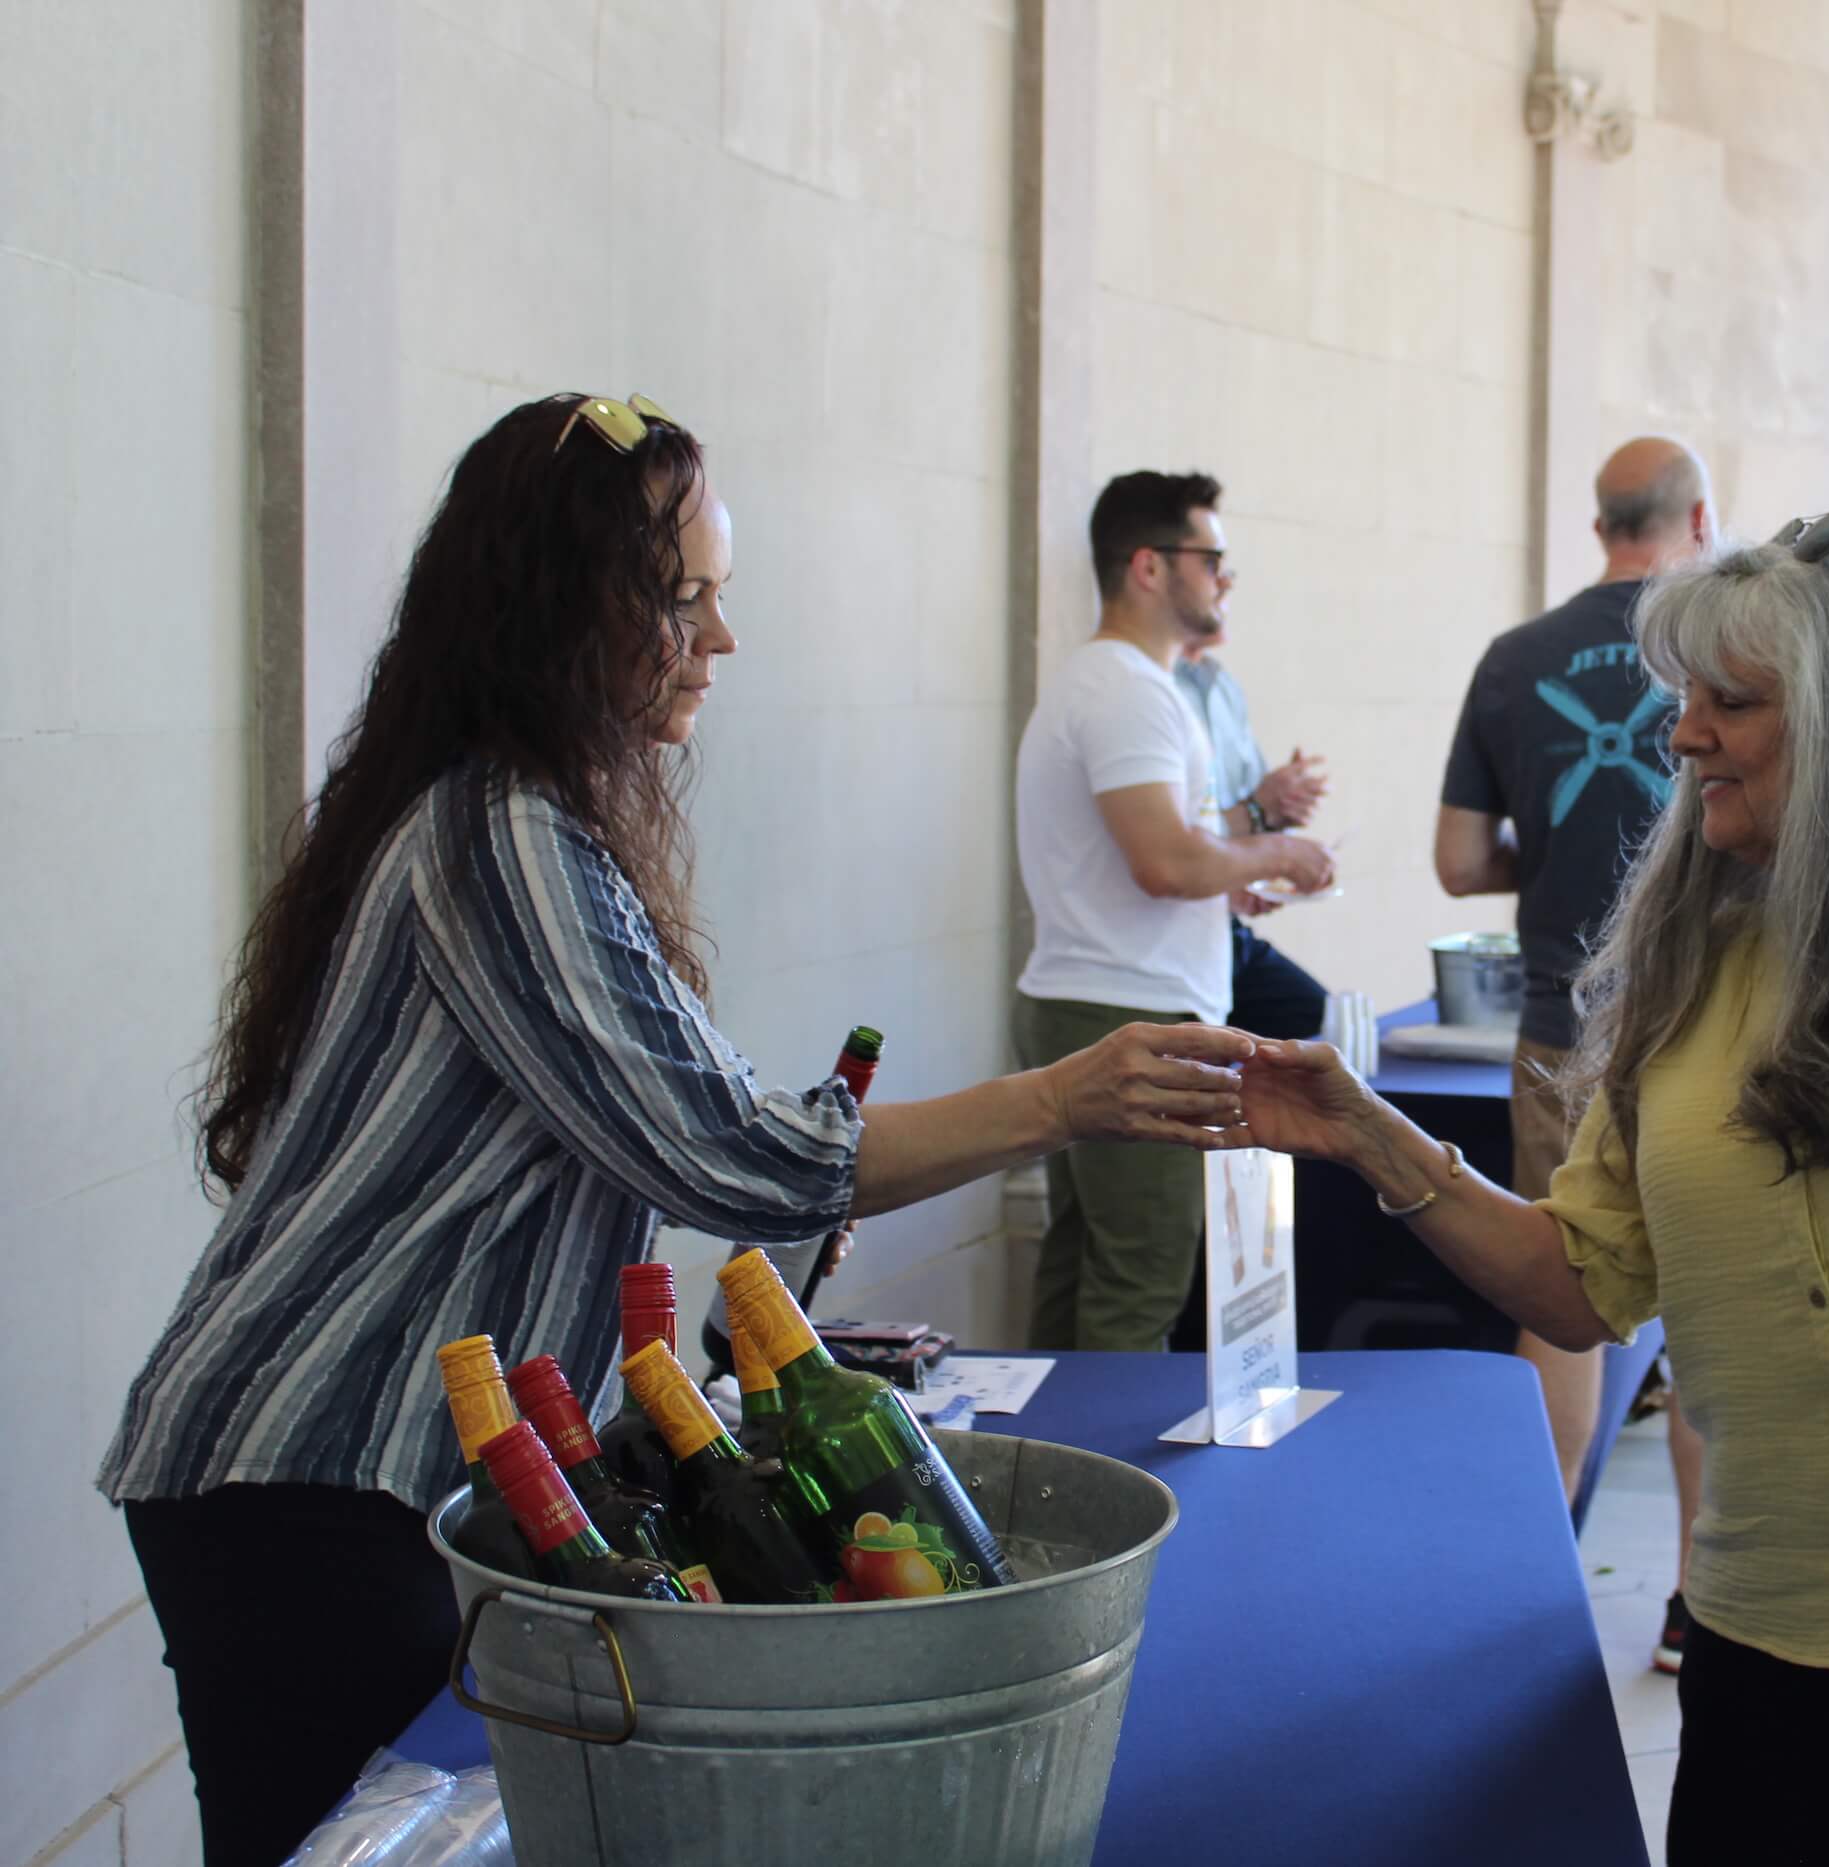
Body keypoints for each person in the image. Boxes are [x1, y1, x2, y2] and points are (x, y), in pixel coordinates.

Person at [94, 396, 1260, 1866]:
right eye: (681, 596)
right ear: (564, 607)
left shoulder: (529, 816)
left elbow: (719, 1131)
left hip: (362, 1466)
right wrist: (1062, 1096)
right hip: (310, 1468)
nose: (720, 639)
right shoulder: (501, 835)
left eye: (720, 594)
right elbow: (729, 1154)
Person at [1243, 511, 1829, 1861]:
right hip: (1767, 1646)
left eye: (1732, 701)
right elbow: (1583, 1284)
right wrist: (1372, 1138)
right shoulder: (1687, 968)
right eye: (1683, 699)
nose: (1683, 733)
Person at [1435, 437, 1710, 1536]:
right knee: (1710, 1319)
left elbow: (1459, 863)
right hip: (1707, 1022)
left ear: (1600, 524)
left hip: (1561, 1028)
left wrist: (1545, 862)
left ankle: (1545, 1560)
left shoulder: (1513, 660)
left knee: (1561, 1300)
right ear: (1699, 522)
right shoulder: (1720, 649)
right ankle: (1702, 1600)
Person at [1014, 470, 1334, 1351]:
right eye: (1213, 557)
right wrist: (1282, 852)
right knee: (1139, 1278)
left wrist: (1233, 859)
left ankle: (1047, 1472)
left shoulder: (1120, 681)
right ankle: (1115, 1487)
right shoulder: (1127, 688)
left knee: (1084, 1258)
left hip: (1095, 994)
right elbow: (1163, 861)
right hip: (1129, 1006)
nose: (1227, 576)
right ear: (1150, 567)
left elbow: (1165, 842)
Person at [1175, 627, 1333, 1040]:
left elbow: (1250, 808)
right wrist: (1263, 817)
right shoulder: (1146, 693)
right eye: (1212, 568)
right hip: (1168, 937)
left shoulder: (1220, 682)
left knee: (1320, 1023)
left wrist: (1283, 806)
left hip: (1223, 925)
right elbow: (1167, 846)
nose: (1224, 586)